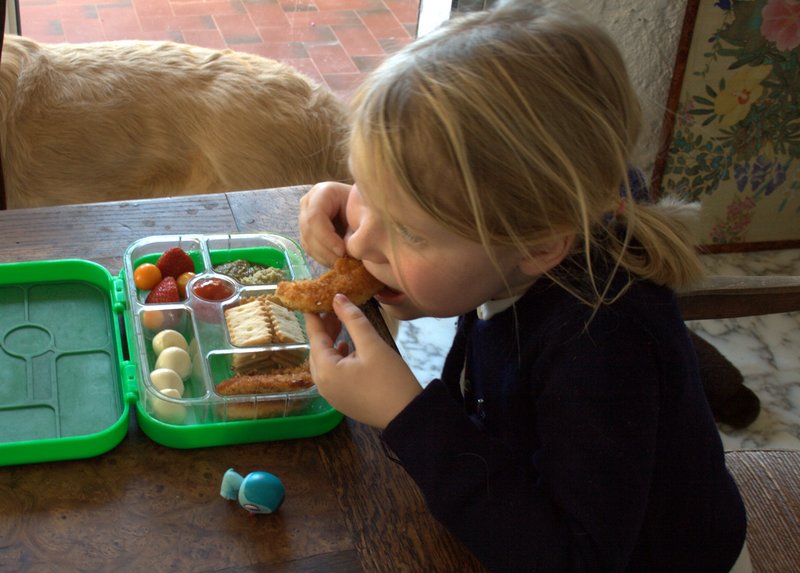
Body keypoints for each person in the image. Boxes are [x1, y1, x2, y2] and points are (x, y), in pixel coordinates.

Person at [299, 1, 749, 571]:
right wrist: (356, 200)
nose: (360, 245)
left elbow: (572, 558)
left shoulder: (599, 353)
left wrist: (406, 415)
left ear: (537, 244)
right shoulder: (548, 212)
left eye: (409, 230)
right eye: (366, 187)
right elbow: (456, 256)